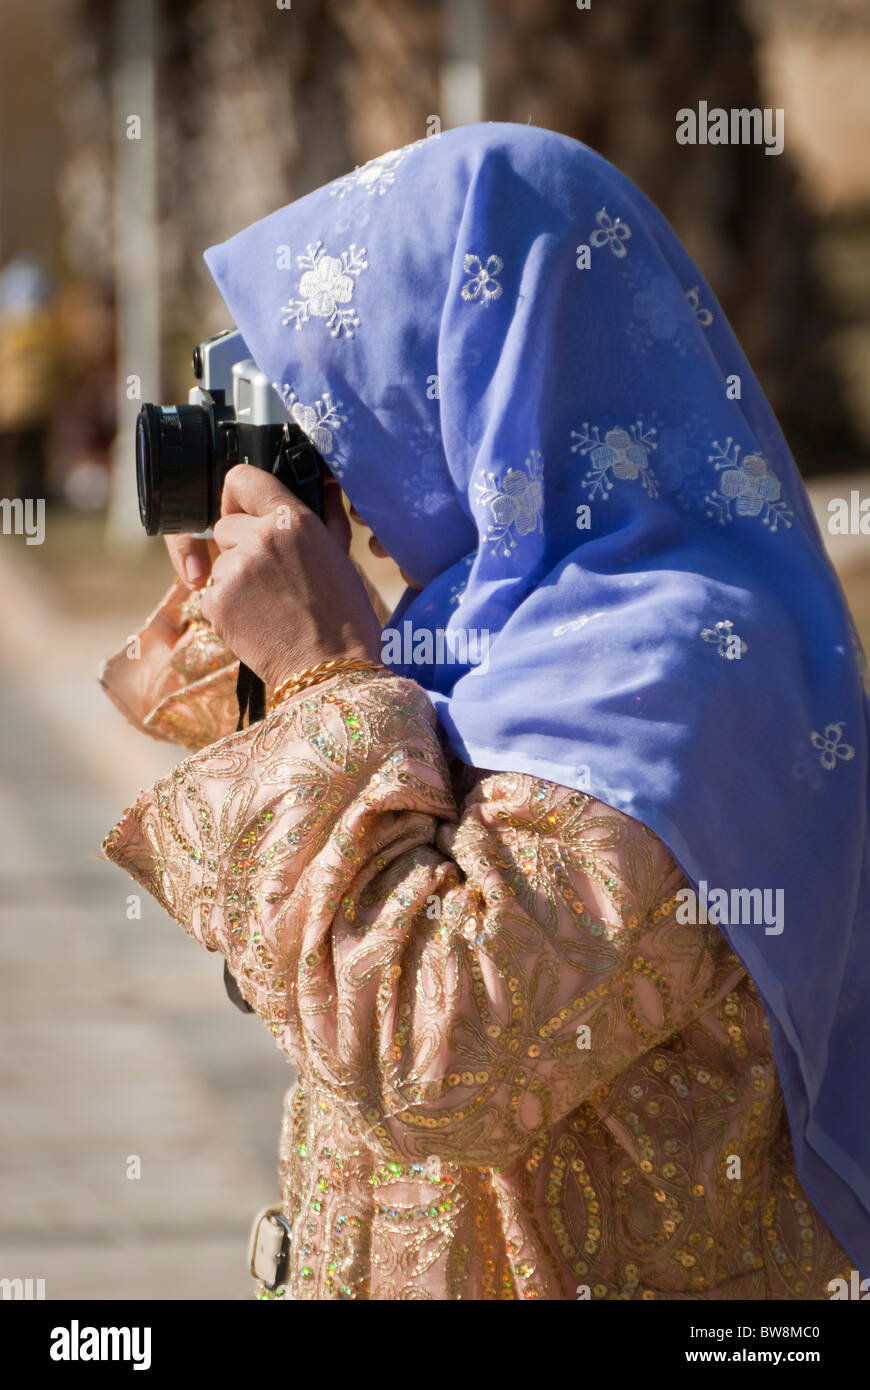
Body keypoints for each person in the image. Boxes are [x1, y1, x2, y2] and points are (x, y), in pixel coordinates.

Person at [100, 122, 869, 1300]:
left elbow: (427, 1055)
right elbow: (305, 946)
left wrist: (324, 678)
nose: (340, 442)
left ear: (492, 362)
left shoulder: (676, 669)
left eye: (352, 381)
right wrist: (267, 650)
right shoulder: (489, 630)